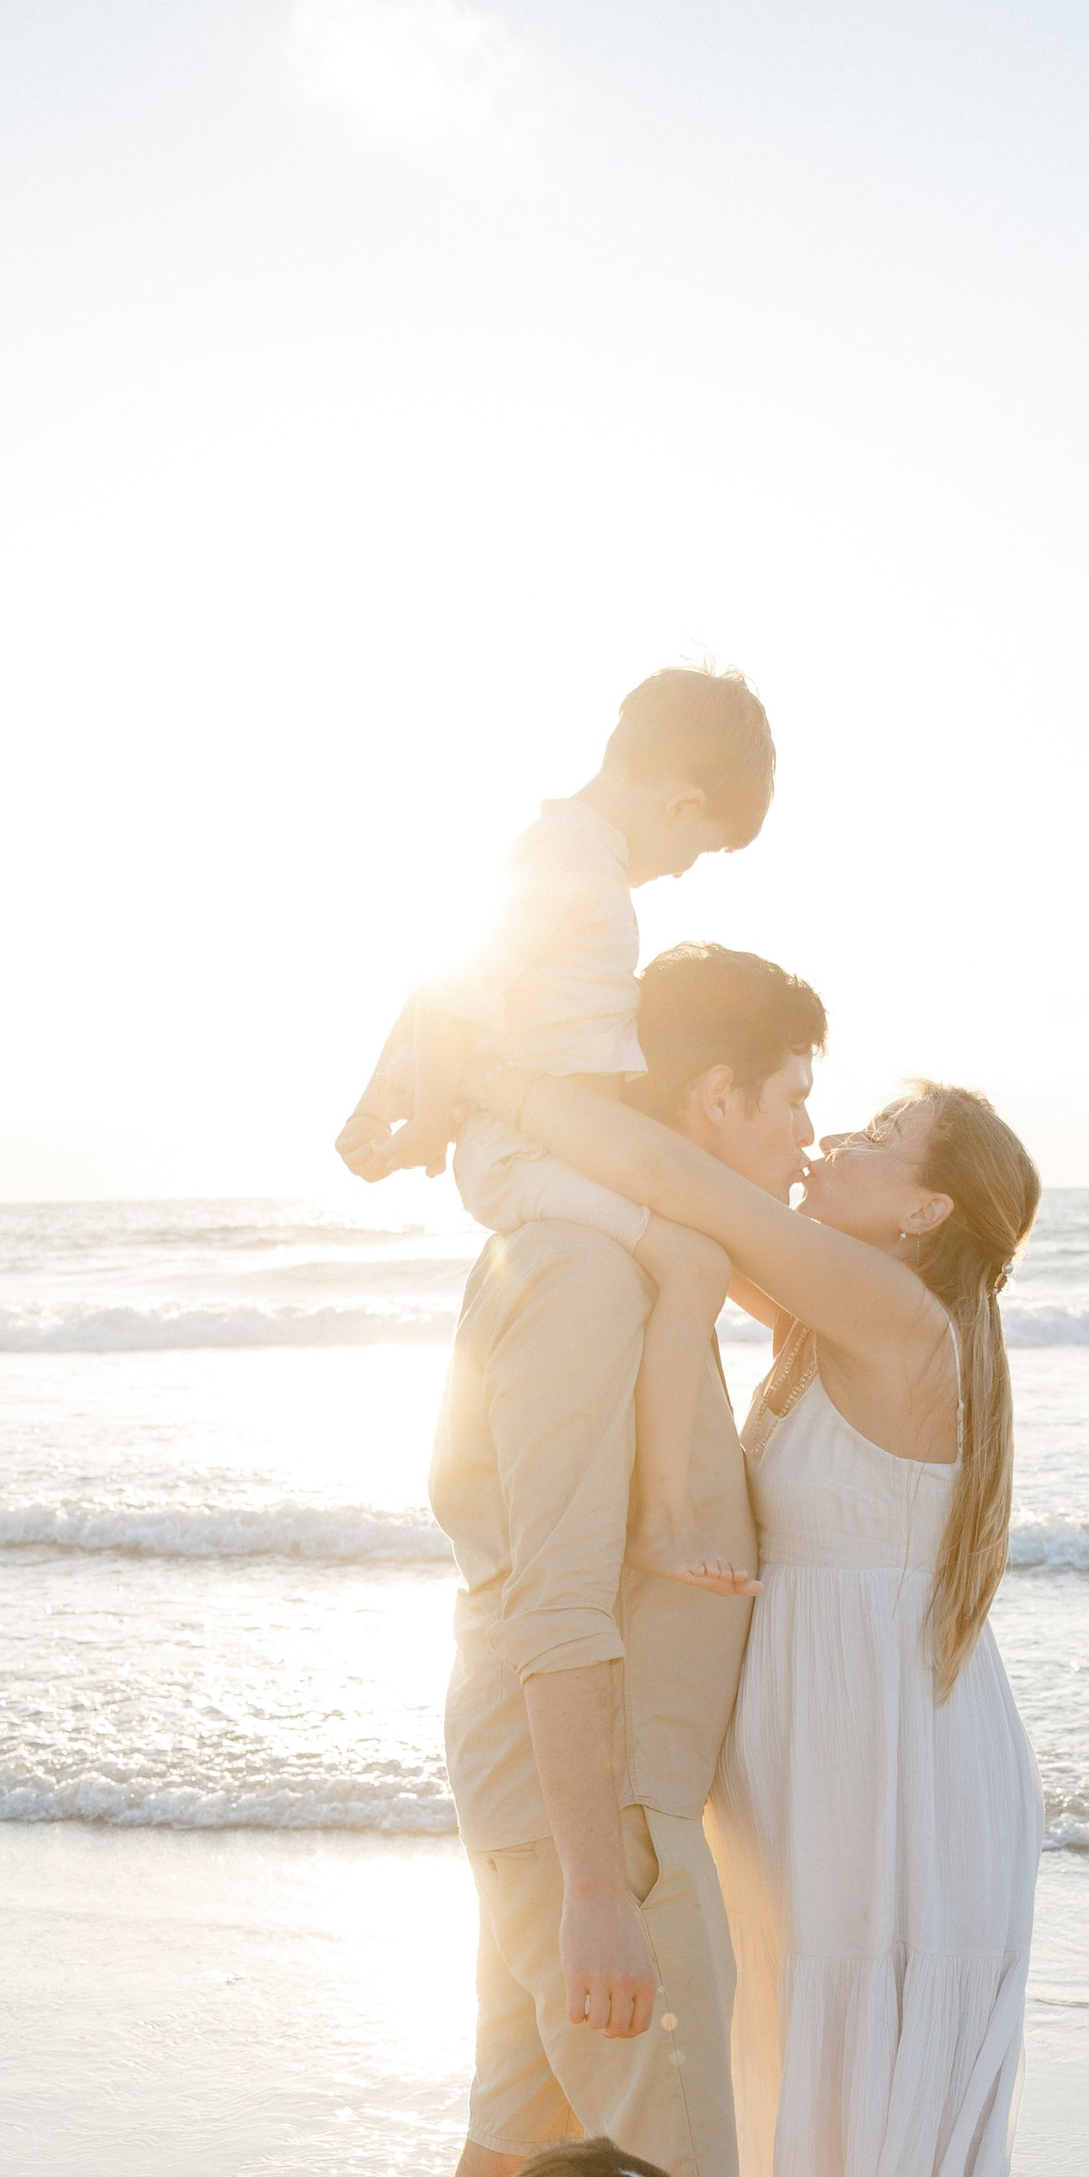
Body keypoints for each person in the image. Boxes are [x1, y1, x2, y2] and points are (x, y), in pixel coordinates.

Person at [429, 938, 930, 2177]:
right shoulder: (587, 1270)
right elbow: (558, 1597)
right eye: (792, 1094)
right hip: (599, 1793)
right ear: (716, 1095)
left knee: (516, 2134)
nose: (804, 1132)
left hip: (594, 1787)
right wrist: (592, 1877)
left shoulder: (647, 1260)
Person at [487, 1061, 1044, 2177]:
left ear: (926, 1208)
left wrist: (509, 1073)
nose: (835, 1145)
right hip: (822, 1770)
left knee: (934, 2119)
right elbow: (679, 1252)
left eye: (871, 1139)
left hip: (904, 1783)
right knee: (859, 2085)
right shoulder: (821, 1325)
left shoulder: (894, 1317)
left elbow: (691, 1195)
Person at [339, 665, 777, 1594]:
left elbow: (439, 975)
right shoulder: (573, 863)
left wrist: (376, 1101)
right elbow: (452, 992)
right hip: (521, 1151)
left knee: (698, 1243)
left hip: (558, 1138)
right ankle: (658, 1520)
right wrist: (418, 1123)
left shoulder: (564, 856)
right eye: (695, 848)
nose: (684, 871)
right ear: (681, 799)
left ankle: (659, 1494)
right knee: (696, 1262)